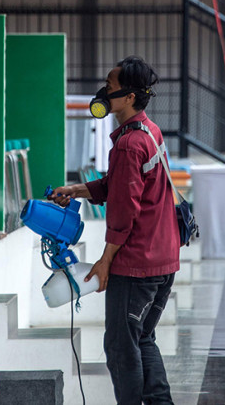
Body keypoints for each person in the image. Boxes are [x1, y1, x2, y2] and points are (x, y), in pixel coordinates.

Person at [49, 56, 179, 405]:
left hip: (137, 264)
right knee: (142, 338)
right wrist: (76, 190)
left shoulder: (128, 143)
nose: (103, 91)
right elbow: (121, 185)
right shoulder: (147, 131)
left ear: (130, 96)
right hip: (163, 259)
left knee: (121, 347)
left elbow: (124, 211)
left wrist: (106, 260)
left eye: (110, 85)